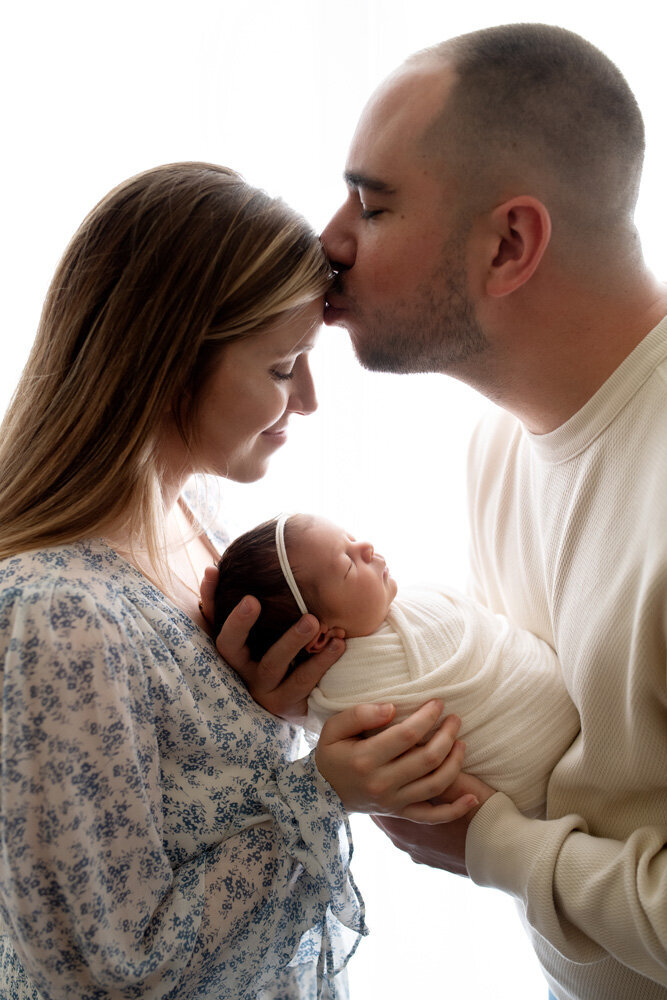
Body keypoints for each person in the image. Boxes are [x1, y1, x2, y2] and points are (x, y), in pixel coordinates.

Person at [210, 23, 667, 1000]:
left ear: (508, 243)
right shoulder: (497, 446)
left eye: (370, 206)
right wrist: (306, 700)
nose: (327, 239)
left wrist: (491, 845)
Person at [0, 162, 477, 1000]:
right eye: (284, 367)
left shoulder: (200, 528)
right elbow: (103, 977)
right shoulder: (57, 617)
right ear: (165, 360)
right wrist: (322, 791)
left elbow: (189, 802)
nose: (312, 401)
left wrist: (274, 716)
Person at [213, 513, 579, 816]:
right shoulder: (349, 690)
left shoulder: (404, 616)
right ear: (321, 637)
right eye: (347, 564)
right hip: (541, 766)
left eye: (351, 538)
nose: (366, 547)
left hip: (560, 745)